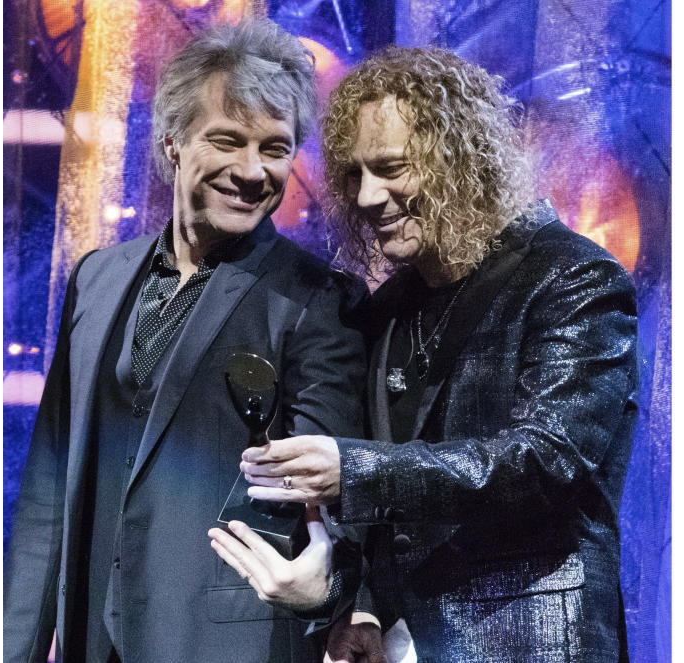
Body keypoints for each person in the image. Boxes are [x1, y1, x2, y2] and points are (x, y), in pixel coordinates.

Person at [210, 47, 638, 662]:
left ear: (463, 163)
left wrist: (357, 471)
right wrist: (360, 602)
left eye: (392, 168)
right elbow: (396, 517)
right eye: (353, 174)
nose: (365, 196)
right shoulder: (389, 305)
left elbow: (548, 460)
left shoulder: (572, 277)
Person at [4, 19, 367, 663]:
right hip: (91, 634)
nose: (252, 171)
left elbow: (327, 499)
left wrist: (335, 591)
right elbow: (49, 485)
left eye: (276, 148)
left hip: (226, 642)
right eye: (227, 140)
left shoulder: (319, 300)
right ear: (173, 143)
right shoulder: (97, 277)